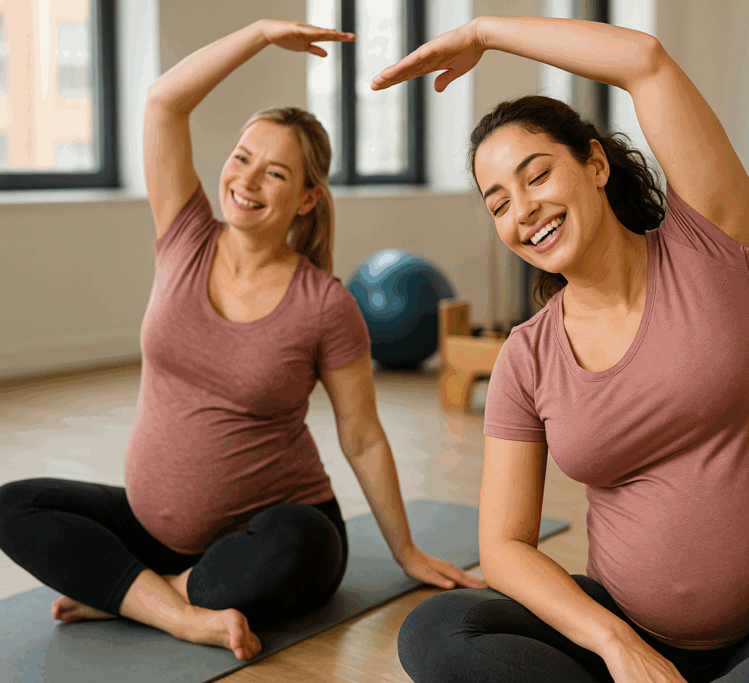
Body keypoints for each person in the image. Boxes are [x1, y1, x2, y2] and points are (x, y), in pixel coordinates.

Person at [372, 16, 749, 683]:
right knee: (440, 627)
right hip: (630, 629)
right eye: (498, 202)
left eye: (536, 175)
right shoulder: (528, 353)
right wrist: (614, 642)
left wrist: (487, 31)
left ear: (596, 162)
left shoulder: (713, 246)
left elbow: (644, 59)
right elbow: (503, 544)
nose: (522, 210)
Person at [0, 19, 483, 662]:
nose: (247, 181)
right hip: (155, 529)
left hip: (272, 529)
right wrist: (255, 37)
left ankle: (138, 594)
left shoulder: (325, 305)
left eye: (275, 174)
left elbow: (361, 435)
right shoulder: (186, 236)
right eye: (241, 158)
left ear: (308, 198)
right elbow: (163, 103)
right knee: (15, 506)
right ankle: (176, 606)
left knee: (294, 548)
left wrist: (406, 551)